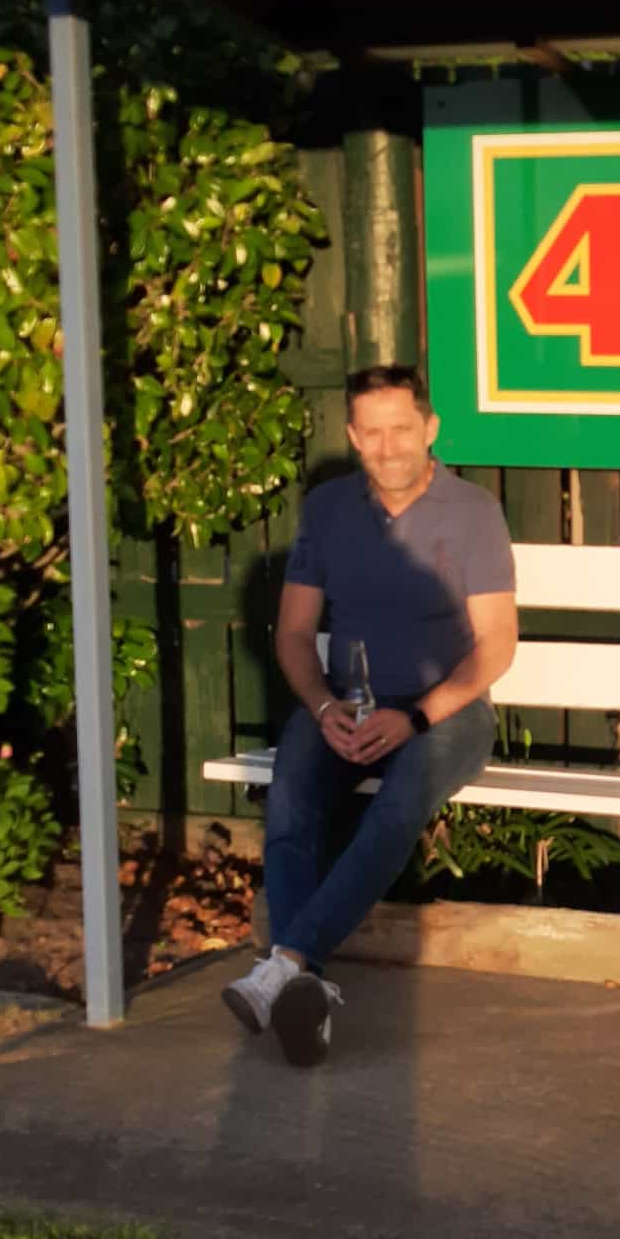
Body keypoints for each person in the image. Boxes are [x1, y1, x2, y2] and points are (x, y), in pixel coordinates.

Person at [222, 363, 518, 1064]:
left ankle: (284, 964)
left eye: (402, 430)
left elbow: (497, 645)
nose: (389, 448)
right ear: (354, 436)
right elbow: (294, 635)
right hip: (345, 706)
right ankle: (305, 989)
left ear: (430, 428)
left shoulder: (473, 512)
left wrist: (415, 718)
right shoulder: (328, 510)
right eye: (373, 433)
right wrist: (323, 706)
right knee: (291, 802)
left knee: (394, 810)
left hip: (447, 712)